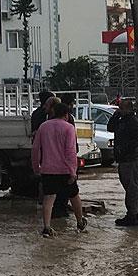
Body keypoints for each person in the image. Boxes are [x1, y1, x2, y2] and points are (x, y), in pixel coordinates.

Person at [31, 102, 87, 238]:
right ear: (66, 115)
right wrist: (72, 171)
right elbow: (70, 151)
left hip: (48, 169)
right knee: (74, 195)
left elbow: (35, 149)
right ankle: (80, 222)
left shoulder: (43, 127)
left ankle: (47, 227)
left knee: (49, 197)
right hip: (65, 170)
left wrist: (36, 167)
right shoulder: (69, 128)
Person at [108, 99, 138, 227]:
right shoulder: (121, 120)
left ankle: (133, 216)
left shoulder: (133, 122)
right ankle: (135, 214)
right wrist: (116, 115)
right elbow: (110, 127)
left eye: (121, 108)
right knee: (130, 188)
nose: (119, 109)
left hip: (131, 160)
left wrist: (124, 148)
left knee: (133, 189)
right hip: (123, 160)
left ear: (128, 108)